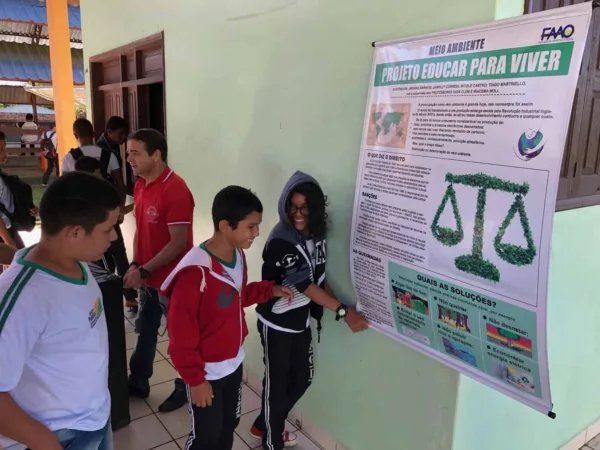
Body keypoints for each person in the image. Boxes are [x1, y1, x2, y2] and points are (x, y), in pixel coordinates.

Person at [162, 186, 294, 450]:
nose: (256, 233)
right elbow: (181, 336)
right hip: (205, 371)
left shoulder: (237, 256)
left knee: (228, 425)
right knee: (206, 437)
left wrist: (270, 290)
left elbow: (238, 295)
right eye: (251, 227)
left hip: (232, 364)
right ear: (225, 225)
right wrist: (195, 380)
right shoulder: (194, 273)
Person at [0, 171, 121, 450]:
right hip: (58, 435)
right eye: (108, 229)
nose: (114, 236)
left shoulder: (77, 263)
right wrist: (47, 443)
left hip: (94, 417)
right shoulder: (22, 298)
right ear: (75, 233)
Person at [251, 171, 369, 450]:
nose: (297, 213)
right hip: (276, 323)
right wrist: (344, 312)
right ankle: (271, 439)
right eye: (292, 206)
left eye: (304, 207)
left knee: (303, 377)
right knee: (277, 384)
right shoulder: (282, 239)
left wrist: (342, 309)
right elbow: (305, 285)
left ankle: (265, 422)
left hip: (300, 321)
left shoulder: (316, 235)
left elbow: (316, 277)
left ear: (315, 208)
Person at [124, 128, 194, 413]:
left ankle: (184, 387)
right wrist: (134, 262)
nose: (129, 158)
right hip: (149, 277)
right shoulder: (141, 185)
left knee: (182, 338)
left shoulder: (175, 189)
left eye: (135, 153)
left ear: (156, 155)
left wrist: (143, 270)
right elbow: (142, 230)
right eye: (127, 153)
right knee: (146, 329)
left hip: (175, 280)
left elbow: (178, 243)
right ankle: (138, 381)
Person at [62, 118, 136, 309]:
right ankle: (130, 296)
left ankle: (96, 293)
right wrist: (118, 209)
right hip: (109, 214)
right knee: (119, 254)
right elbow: (120, 184)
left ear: (75, 135)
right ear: (94, 133)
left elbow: (65, 189)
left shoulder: (69, 158)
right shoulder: (108, 155)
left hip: (84, 218)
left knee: (92, 257)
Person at [97, 116, 135, 196]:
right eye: (121, 133)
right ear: (110, 132)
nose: (124, 137)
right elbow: (116, 182)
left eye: (125, 133)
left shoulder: (114, 145)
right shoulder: (102, 152)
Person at [0, 132, 25, 250]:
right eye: (1, 149)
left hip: (9, 227)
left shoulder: (2, 176)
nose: (5, 152)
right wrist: (8, 241)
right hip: (3, 234)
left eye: (4, 147)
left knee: (23, 257)